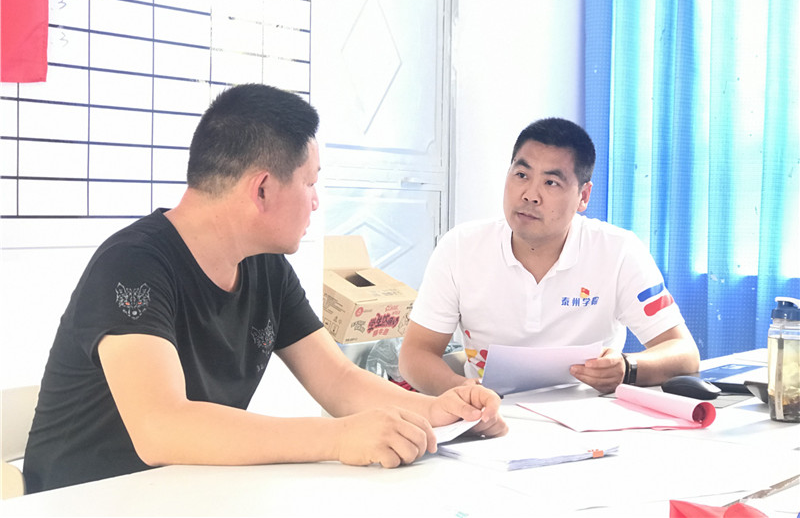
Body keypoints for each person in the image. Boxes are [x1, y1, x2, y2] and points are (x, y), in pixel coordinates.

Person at [23, 84, 507, 494]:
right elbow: (161, 427)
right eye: (310, 183)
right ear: (262, 189)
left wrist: (436, 411)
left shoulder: (266, 267)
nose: (316, 203)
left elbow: (338, 381)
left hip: (186, 494)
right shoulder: (133, 264)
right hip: (86, 500)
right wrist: (337, 438)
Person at [398, 117, 700, 396]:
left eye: (551, 182)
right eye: (521, 175)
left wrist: (627, 368)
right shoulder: (460, 248)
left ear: (583, 196)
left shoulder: (618, 251)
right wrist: (464, 391)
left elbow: (683, 353)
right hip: (490, 414)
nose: (530, 195)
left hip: (590, 417)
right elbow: (416, 354)